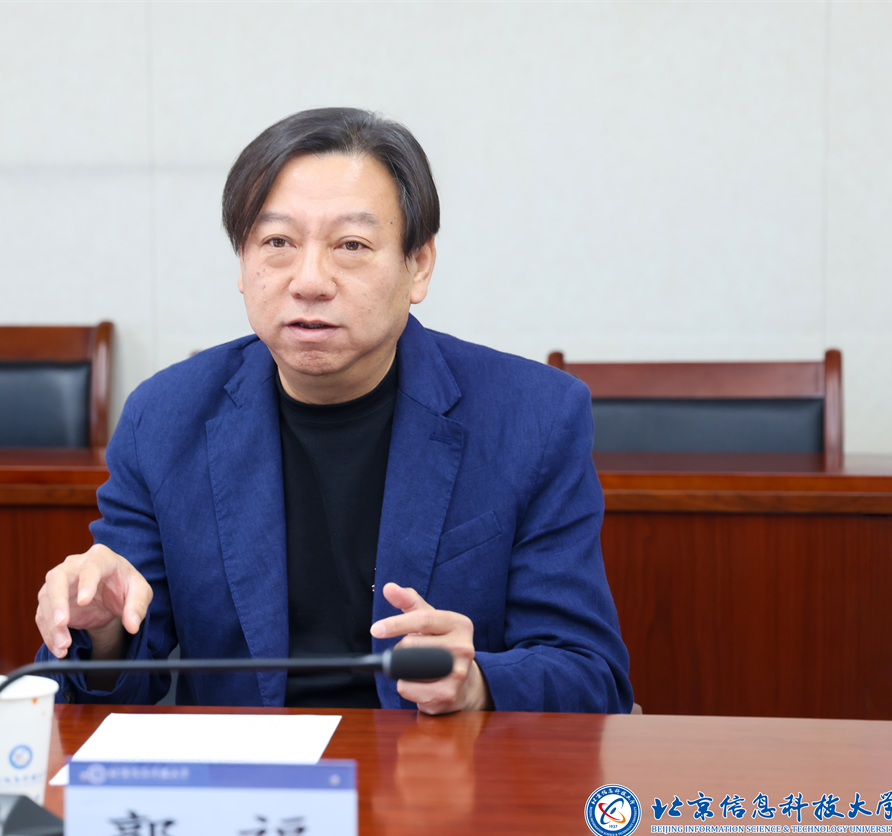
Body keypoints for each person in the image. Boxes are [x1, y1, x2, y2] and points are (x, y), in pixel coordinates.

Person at [35, 107, 632, 714]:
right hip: (250, 767)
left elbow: (591, 675)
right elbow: (108, 680)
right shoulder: (165, 419)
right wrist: (101, 628)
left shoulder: (534, 417)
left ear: (418, 265)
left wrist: (477, 683)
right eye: (277, 243)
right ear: (242, 264)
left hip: (438, 764)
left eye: (351, 245)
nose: (310, 281)